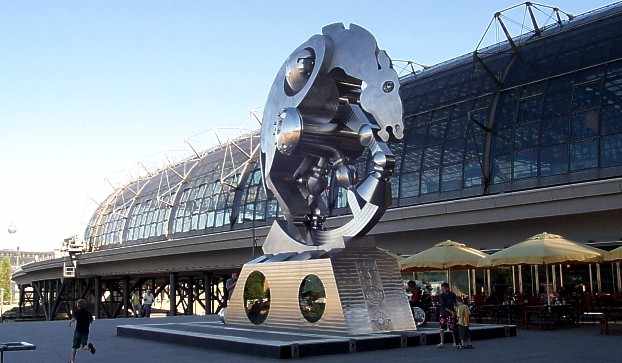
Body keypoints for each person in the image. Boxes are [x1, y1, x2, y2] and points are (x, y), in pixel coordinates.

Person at [437, 282, 457, 348]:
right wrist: (451, 311)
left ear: (447, 288)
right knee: (442, 328)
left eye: (443, 288)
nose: (443, 289)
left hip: (452, 312)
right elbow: (443, 305)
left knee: (453, 327)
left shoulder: (452, 294)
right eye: (442, 288)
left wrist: (455, 311)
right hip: (443, 313)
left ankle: (455, 342)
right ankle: (442, 342)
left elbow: (455, 303)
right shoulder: (441, 295)